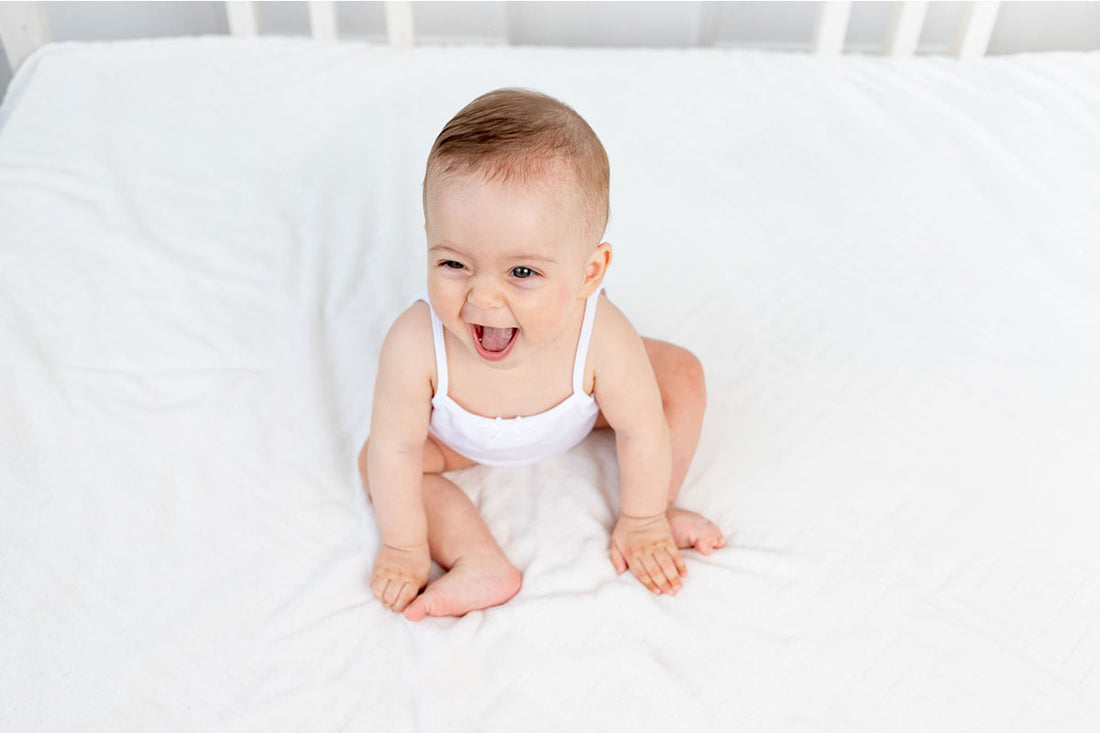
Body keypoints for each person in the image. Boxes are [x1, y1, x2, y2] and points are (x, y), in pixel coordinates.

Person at [358, 88, 723, 622]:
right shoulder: (415, 343)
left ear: (589, 274)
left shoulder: (601, 335)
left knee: (681, 377)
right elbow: (397, 449)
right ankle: (477, 560)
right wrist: (403, 546)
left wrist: (642, 517)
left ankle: (655, 514)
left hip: (581, 412)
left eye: (522, 272)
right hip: (458, 441)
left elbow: (641, 430)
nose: (483, 297)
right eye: (454, 264)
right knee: (377, 460)